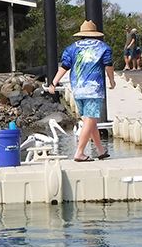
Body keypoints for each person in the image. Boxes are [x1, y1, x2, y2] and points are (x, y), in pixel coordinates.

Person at [48, 20, 116, 162]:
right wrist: (111, 80)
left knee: (88, 121)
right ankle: (79, 152)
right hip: (94, 89)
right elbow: (108, 66)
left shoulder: (72, 48)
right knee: (90, 120)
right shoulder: (103, 47)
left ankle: (100, 150)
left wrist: (54, 82)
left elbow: (64, 66)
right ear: (96, 34)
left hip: (77, 89)